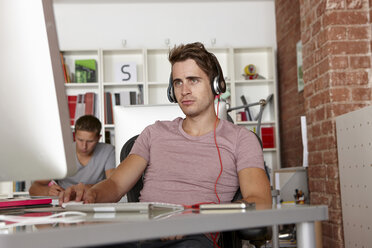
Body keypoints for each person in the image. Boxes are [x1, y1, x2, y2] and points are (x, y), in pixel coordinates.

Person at [59, 42, 272, 247]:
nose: (184, 90)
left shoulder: (242, 139)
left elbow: (260, 202)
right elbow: (115, 185)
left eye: (193, 80)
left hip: (193, 237)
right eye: (178, 82)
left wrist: (196, 218)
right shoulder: (154, 132)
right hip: (140, 233)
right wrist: (91, 195)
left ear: (217, 85)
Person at [29, 115, 116, 196]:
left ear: (98, 138)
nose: (84, 146)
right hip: (63, 201)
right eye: (80, 140)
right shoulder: (62, 151)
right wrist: (47, 191)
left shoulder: (108, 151)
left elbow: (113, 184)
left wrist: (87, 188)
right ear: (75, 136)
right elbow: (33, 188)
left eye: (90, 141)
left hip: (94, 198)